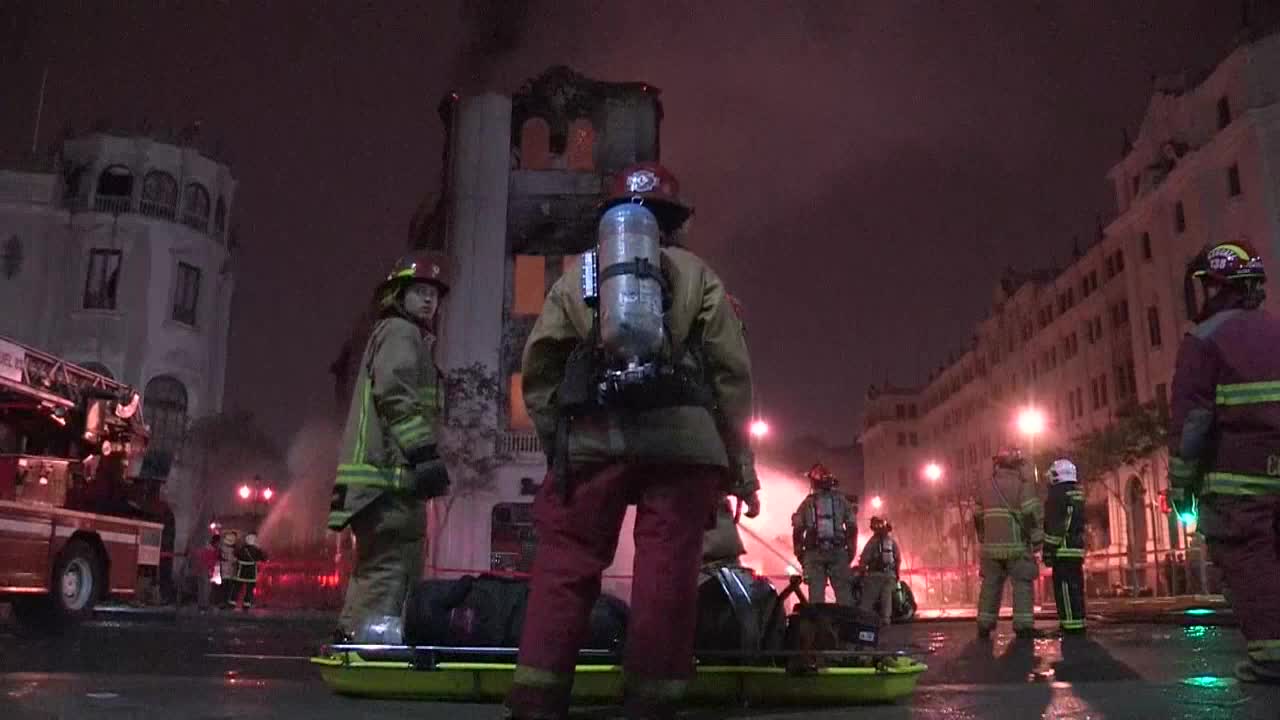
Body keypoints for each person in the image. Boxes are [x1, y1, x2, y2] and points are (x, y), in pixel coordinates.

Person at [507, 162, 760, 720]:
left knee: (566, 565)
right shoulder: (699, 275)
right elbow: (731, 376)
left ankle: (537, 697)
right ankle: (652, 702)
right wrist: (738, 465)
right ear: (675, 223)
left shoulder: (579, 277)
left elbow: (541, 365)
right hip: (683, 448)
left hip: (594, 441)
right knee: (667, 573)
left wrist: (560, 446)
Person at [1168, 240, 1280, 684]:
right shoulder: (1275, 330)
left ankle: (1271, 656)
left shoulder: (1202, 341)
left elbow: (1194, 421)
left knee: (1249, 562)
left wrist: (1181, 484)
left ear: (1213, 286)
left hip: (1236, 481)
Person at [327, 252, 452, 642]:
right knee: (392, 565)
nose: (429, 300)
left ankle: (356, 636)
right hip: (389, 482)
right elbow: (396, 396)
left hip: (382, 482)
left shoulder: (399, 334)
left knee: (380, 565)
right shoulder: (400, 333)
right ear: (398, 295)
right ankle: (370, 642)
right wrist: (424, 453)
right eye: (419, 292)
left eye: (433, 293)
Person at [975, 448, 1042, 639]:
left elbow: (977, 515)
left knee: (990, 584)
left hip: (990, 549)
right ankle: (1023, 625)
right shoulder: (1022, 484)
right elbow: (1031, 513)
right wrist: (1037, 540)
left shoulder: (986, 485)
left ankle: (984, 624)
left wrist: (983, 537)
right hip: (1016, 546)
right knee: (1022, 583)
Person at [792, 463, 857, 605]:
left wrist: (800, 554)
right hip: (838, 552)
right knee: (844, 595)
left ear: (814, 482)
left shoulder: (806, 503)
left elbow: (797, 530)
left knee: (816, 597)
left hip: (814, 554)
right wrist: (851, 550)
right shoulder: (842, 501)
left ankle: (818, 625)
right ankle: (846, 625)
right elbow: (852, 526)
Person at [1042, 458, 1086, 634]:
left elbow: (1055, 527)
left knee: (1065, 589)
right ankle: (1078, 621)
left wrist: (1048, 551)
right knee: (1076, 587)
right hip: (1076, 549)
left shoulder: (1057, 496)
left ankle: (1069, 625)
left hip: (1062, 550)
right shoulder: (1076, 494)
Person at [857, 516, 900, 625]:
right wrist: (896, 574)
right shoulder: (891, 542)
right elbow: (898, 559)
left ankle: (863, 621)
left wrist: (861, 573)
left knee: (867, 600)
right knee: (887, 599)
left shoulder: (872, 542)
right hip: (889, 575)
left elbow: (864, 559)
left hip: (874, 576)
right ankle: (886, 620)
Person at [230, 533, 268, 611]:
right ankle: (246, 605)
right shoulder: (257, 550)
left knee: (237, 588)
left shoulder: (242, 549)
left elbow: (235, 554)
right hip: (252, 572)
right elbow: (264, 558)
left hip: (241, 571)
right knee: (249, 590)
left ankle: (232, 604)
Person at [192, 534, 219, 612]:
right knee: (206, 588)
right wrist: (210, 571)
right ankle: (204, 605)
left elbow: (200, 558)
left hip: (201, 569)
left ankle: (201, 605)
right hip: (206, 570)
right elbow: (210, 561)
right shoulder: (211, 550)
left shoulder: (204, 549)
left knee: (201, 588)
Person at [218, 530, 239, 610]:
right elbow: (233, 560)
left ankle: (223, 603)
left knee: (224, 588)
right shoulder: (233, 550)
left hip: (224, 572)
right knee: (229, 588)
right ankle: (227, 603)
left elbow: (222, 558)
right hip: (230, 572)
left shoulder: (222, 548)